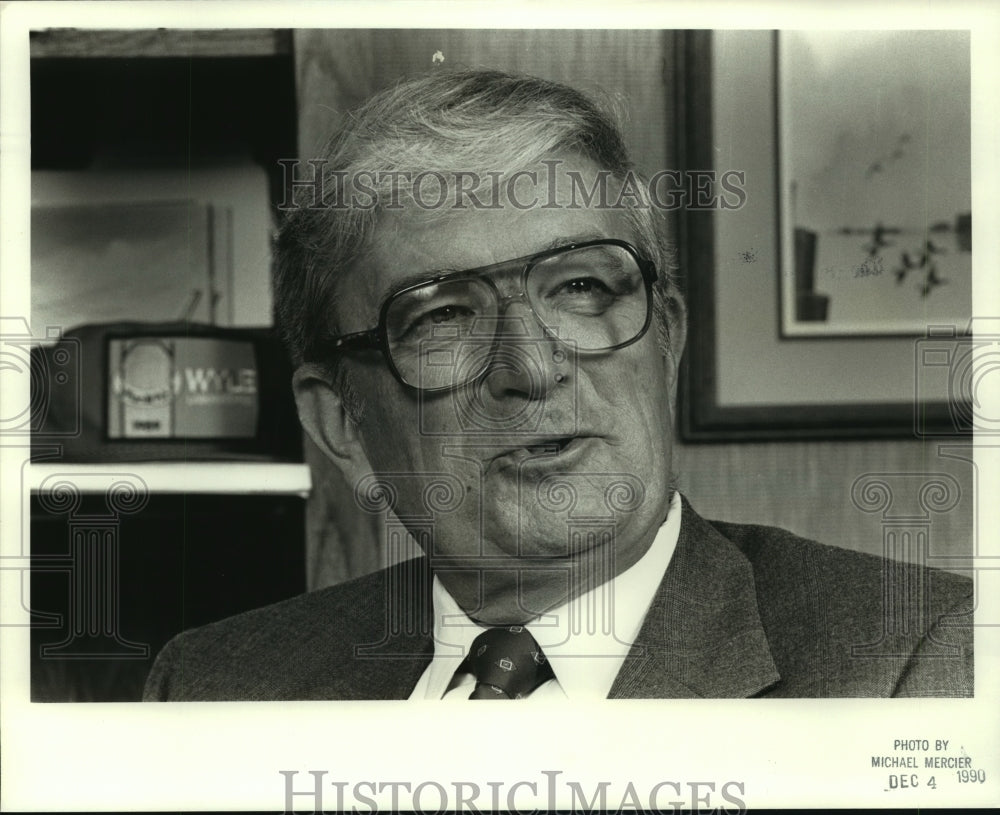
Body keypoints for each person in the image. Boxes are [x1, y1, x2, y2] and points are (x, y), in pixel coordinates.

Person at [143, 69, 972, 701]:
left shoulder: (924, 655)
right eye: (440, 318)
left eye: (581, 288)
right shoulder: (213, 684)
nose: (534, 370)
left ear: (667, 341)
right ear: (344, 426)